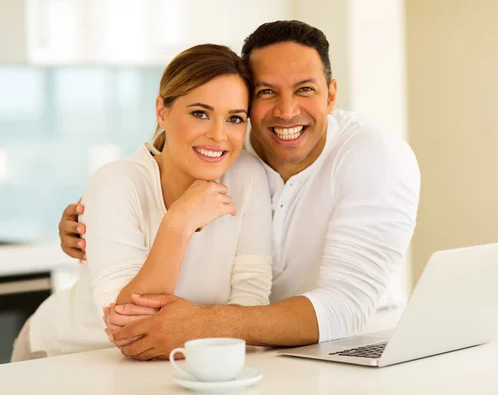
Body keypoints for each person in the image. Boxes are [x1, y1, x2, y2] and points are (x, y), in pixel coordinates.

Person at [58, 20, 421, 361]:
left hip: (333, 342)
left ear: (330, 96)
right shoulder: (229, 151)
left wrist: (202, 327)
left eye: (305, 89)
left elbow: (343, 308)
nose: (287, 110)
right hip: (97, 352)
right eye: (266, 92)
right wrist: (96, 220)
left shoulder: (373, 155)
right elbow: (138, 180)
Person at [11, 44, 273, 362]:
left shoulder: (247, 177)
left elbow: (250, 307)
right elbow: (133, 326)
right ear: (162, 112)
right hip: (67, 354)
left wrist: (204, 331)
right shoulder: (116, 183)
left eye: (234, 118)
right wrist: (177, 224)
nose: (219, 135)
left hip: (174, 359)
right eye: (200, 114)